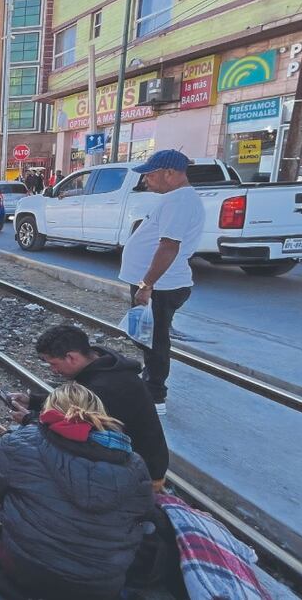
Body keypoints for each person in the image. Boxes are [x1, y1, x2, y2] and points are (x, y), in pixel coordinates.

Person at [0, 323, 169, 515]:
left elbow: (75, 434)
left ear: (72, 357)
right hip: (117, 460)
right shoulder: (104, 367)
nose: (53, 371)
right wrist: (33, 401)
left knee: (28, 454)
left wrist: (30, 419)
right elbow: (75, 407)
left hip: (133, 477)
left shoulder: (106, 388)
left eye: (53, 363)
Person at [0, 382, 154, 600]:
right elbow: (144, 512)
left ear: (49, 411)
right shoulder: (134, 463)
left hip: (25, 568)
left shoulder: (20, 442)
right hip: (100, 585)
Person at [118, 150, 205, 414]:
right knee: (144, 336)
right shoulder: (174, 198)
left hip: (161, 285)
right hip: (157, 284)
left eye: (150, 174)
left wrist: (147, 284)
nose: (146, 180)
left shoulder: (179, 201)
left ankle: (155, 397)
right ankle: (149, 381)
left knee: (154, 340)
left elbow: (169, 246)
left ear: (170, 173)